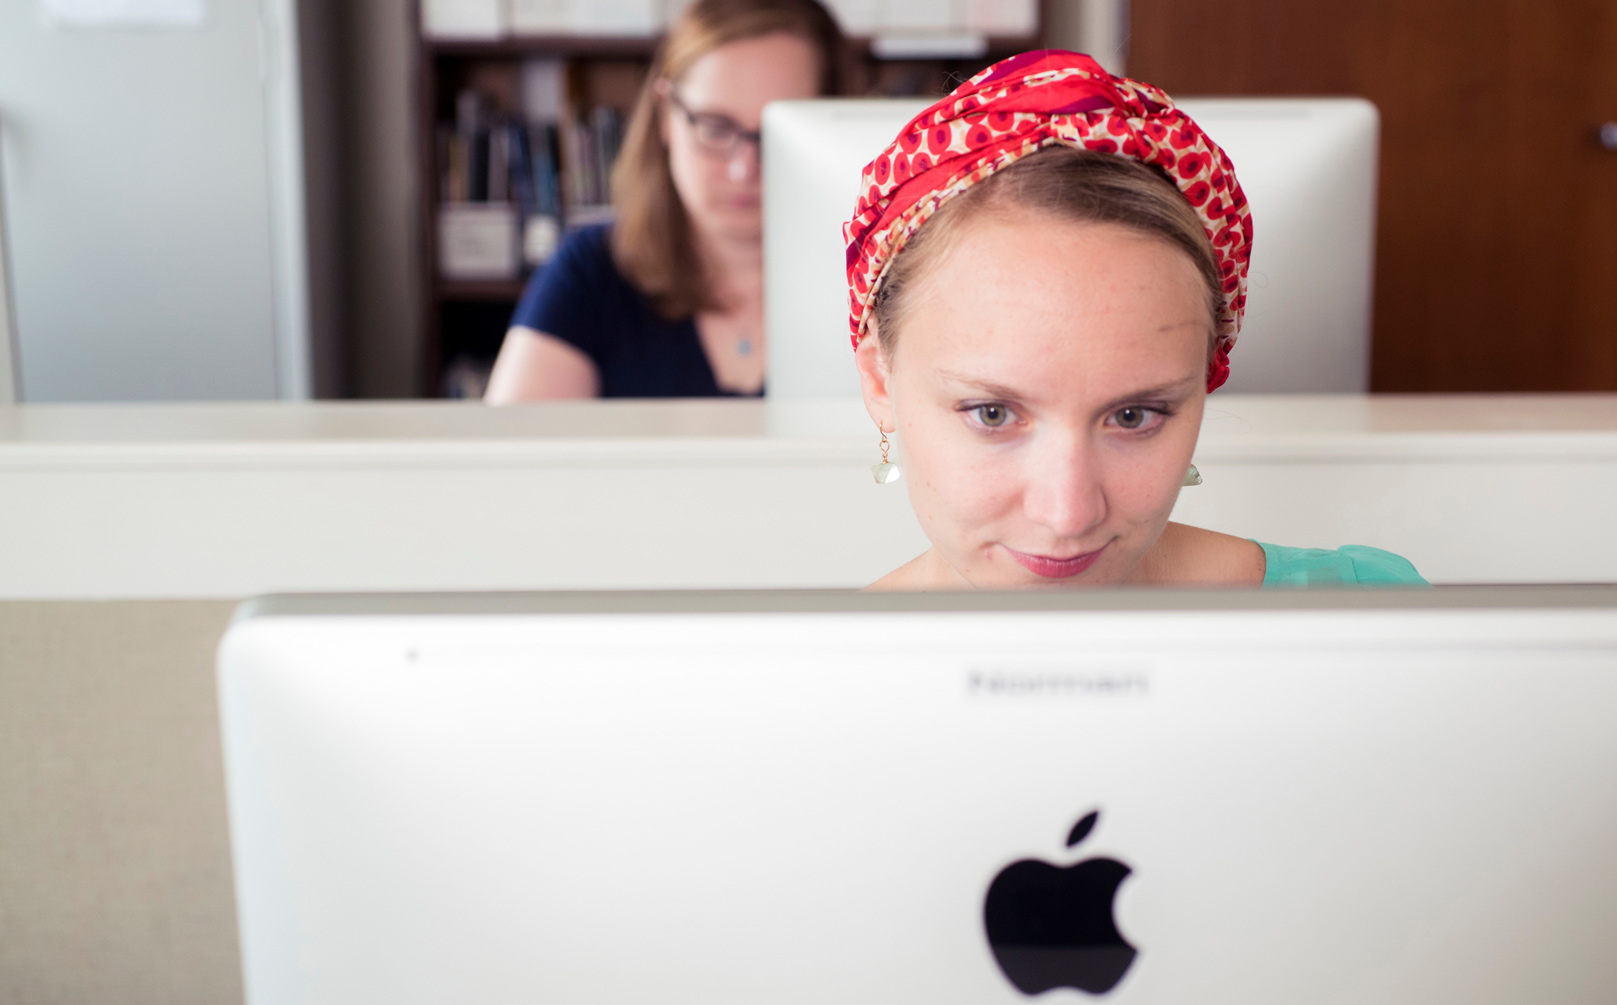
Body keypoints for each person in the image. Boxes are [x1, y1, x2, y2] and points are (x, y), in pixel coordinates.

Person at [845, 50, 1426, 590]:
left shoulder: (1378, 616)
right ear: (879, 379)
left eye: (1133, 415)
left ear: (1206, 375)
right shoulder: (783, 681)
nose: (1068, 515)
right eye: (992, 414)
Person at [484, 0, 844, 401]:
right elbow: (509, 457)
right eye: (715, 127)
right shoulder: (590, 274)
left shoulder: (885, 287)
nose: (745, 168)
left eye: (777, 132)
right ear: (665, 116)